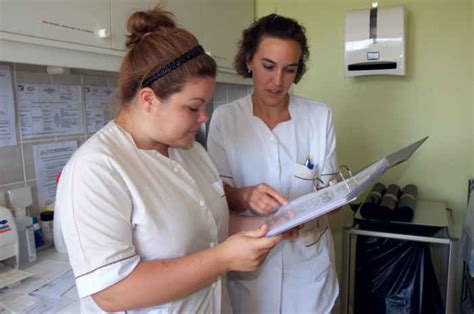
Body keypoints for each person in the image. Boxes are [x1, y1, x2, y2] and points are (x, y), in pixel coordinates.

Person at [55, 7, 284, 313]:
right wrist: (224, 259)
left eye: (206, 105)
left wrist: (270, 225)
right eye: (193, 107)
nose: (203, 118)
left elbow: (209, 226)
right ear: (148, 99)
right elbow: (110, 292)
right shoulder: (97, 169)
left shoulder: (191, 152)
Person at [207, 14, 339, 313]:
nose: (277, 81)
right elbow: (214, 197)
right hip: (251, 278)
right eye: (268, 66)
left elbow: (330, 189)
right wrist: (244, 195)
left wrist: (340, 196)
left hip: (309, 274)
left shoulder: (319, 117)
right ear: (249, 60)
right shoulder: (226, 119)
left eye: (289, 70)